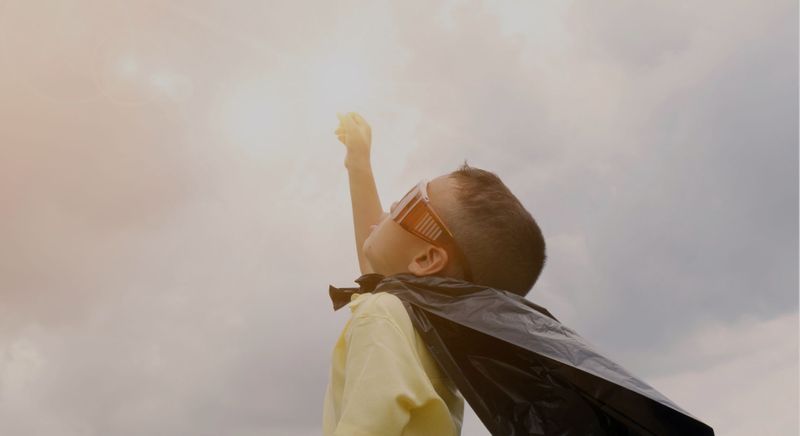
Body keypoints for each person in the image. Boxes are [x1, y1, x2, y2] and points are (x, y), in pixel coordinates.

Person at [322, 112, 547, 436]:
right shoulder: (428, 330)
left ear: (427, 258)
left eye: (414, 200)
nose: (397, 200)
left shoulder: (382, 316)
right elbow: (376, 264)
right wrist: (358, 161)